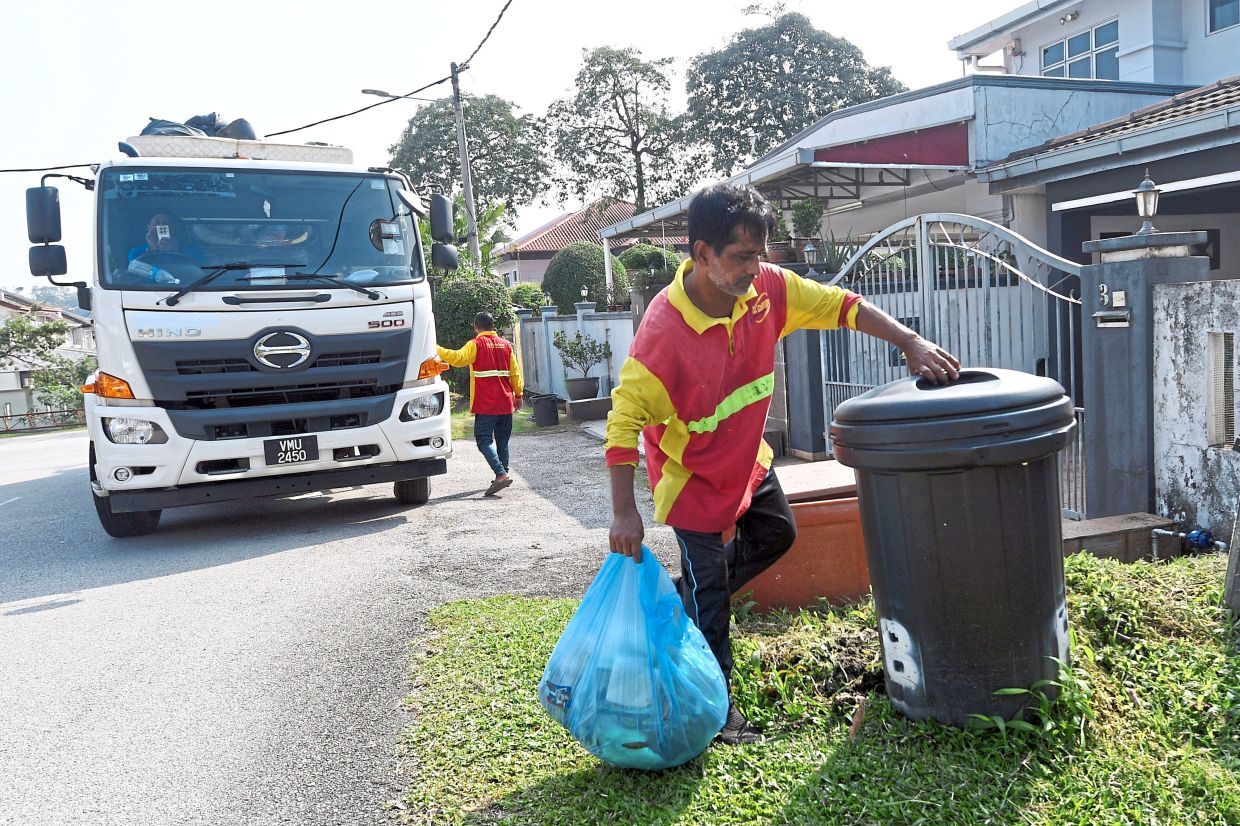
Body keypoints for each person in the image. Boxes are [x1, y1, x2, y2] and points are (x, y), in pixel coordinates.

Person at [605, 183, 960, 745]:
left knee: (776, 533)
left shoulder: (767, 289)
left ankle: (684, 595)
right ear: (701, 255)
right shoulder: (661, 338)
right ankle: (715, 713)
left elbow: (841, 306)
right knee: (715, 597)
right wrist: (625, 514)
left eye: (760, 252)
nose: (757, 265)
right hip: (691, 479)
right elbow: (621, 429)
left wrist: (909, 341)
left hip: (746, 460)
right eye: (743, 256)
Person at [437, 313, 525, 496]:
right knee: (502, 441)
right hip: (506, 402)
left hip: (487, 404)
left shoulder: (475, 344)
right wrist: (519, 395)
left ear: (476, 327)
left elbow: (457, 358)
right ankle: (502, 474)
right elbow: (515, 374)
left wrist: (435, 348)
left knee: (484, 439)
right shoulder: (506, 345)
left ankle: (501, 474)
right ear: (493, 326)